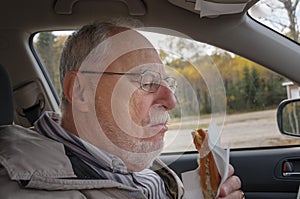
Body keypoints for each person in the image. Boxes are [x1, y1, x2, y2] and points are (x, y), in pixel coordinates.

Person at [0, 19, 243, 199]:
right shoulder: (18, 188)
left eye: (168, 83)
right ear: (81, 91)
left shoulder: (142, 171)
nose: (171, 101)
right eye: (147, 82)